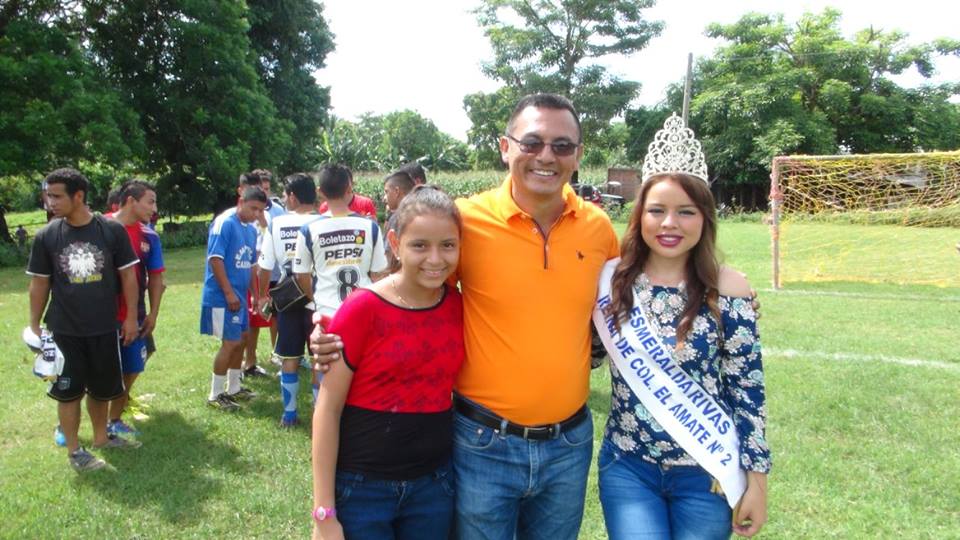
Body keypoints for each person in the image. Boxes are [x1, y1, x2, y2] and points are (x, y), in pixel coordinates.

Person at [311, 93, 621, 540]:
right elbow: (411, 292)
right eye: (531, 142)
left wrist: (721, 285)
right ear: (504, 147)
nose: (546, 156)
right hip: (483, 443)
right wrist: (331, 332)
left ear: (578, 155)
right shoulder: (466, 223)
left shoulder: (599, 229)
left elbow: (642, 293)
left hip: (568, 445)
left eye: (562, 145)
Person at [593, 114, 770, 539]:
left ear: (704, 218)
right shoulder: (611, 283)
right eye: (657, 211)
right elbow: (587, 356)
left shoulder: (729, 287)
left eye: (685, 212)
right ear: (641, 216)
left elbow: (748, 391)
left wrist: (757, 482)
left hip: (706, 471)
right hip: (628, 466)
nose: (670, 224)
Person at [311, 186, 464, 540]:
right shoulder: (363, 308)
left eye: (448, 245)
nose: (435, 258)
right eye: (419, 245)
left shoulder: (458, 306)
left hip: (433, 486)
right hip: (363, 488)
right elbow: (327, 409)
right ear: (394, 243)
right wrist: (323, 513)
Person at [27, 168, 142, 472]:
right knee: (68, 391)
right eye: (47, 195)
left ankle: (102, 438)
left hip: (105, 326)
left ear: (78, 196)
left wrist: (131, 317)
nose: (49, 202)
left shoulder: (110, 230)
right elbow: (39, 283)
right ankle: (76, 450)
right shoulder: (47, 236)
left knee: (103, 388)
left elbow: (129, 276)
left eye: (56, 195)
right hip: (65, 329)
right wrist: (35, 324)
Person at [294, 165, 389, 402]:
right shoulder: (370, 227)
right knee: (363, 369)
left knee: (322, 365)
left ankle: (321, 416)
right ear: (350, 189)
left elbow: (301, 275)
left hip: (326, 312)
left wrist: (313, 300)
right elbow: (379, 274)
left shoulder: (309, 228)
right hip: (363, 311)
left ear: (319, 192)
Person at [257, 173, 321, 427]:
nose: (284, 200)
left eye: (284, 195)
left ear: (292, 197)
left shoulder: (277, 224)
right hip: (319, 299)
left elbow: (264, 266)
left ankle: (290, 413)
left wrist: (263, 295)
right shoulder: (324, 222)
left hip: (289, 297)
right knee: (318, 358)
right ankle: (319, 413)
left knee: (289, 356)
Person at [105, 180, 166, 439]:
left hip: (135, 314)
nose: (154, 208)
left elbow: (156, 278)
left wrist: (152, 314)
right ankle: (66, 422)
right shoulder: (99, 227)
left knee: (133, 366)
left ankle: (114, 418)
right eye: (150, 201)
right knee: (90, 370)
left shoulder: (149, 236)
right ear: (131, 200)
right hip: (99, 314)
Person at [200, 186, 267, 411]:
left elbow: (249, 266)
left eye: (260, 211)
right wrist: (228, 292)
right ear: (241, 201)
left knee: (244, 337)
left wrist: (256, 295)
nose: (256, 214)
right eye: (253, 208)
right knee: (230, 342)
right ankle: (215, 394)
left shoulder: (250, 229)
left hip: (239, 296)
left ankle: (234, 388)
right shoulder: (224, 223)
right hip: (221, 295)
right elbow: (215, 260)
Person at [243, 169, 282, 378]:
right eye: (261, 189)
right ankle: (249, 360)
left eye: (267, 189)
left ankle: (275, 353)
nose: (264, 193)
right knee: (254, 318)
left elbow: (273, 239)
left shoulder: (274, 210)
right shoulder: (244, 214)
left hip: (272, 272)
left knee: (272, 314)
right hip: (254, 272)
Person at [382, 170, 416, 269]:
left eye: (386, 192)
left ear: (397, 191)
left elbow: (388, 255)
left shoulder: (397, 217)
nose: (384, 198)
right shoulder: (420, 214)